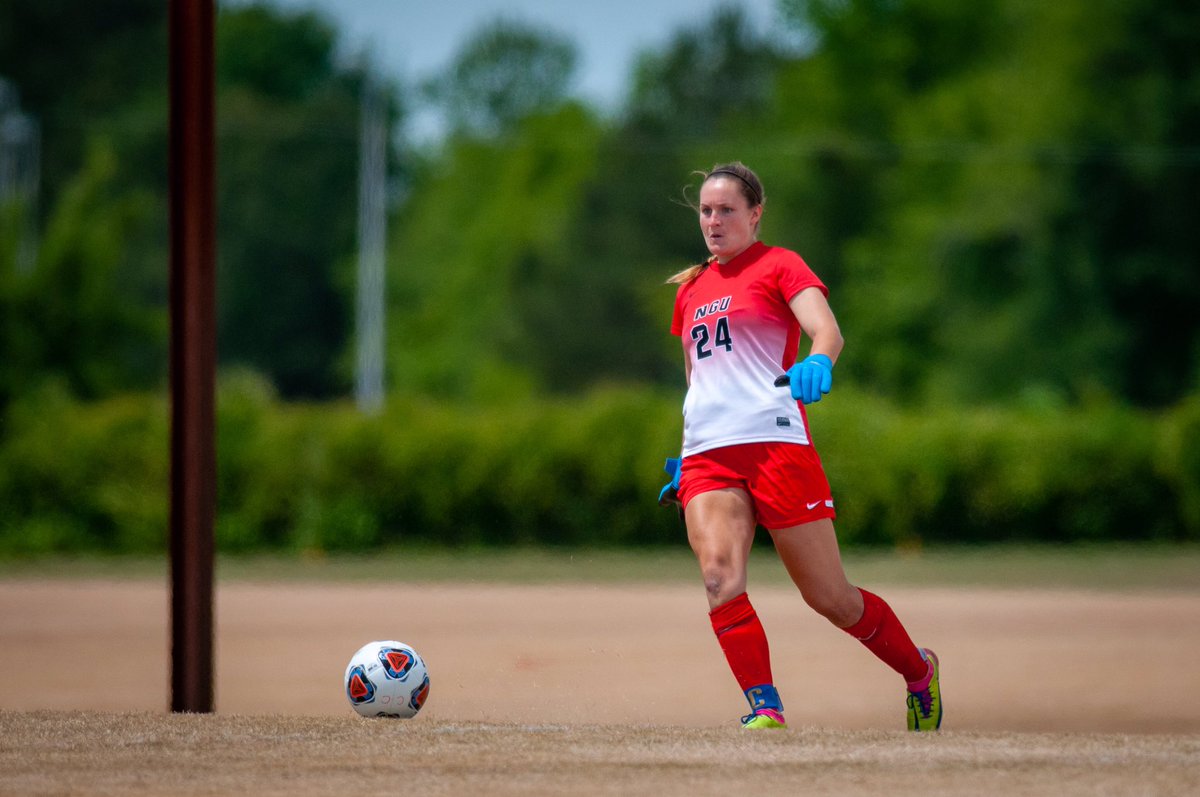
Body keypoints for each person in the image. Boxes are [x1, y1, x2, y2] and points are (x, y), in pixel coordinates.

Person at [658, 161, 941, 731]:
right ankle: (765, 707)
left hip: (775, 446)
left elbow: (827, 330)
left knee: (831, 598)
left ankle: (919, 672)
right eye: (706, 211)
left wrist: (819, 362)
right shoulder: (690, 290)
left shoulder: (780, 264)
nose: (713, 221)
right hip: (709, 456)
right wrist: (687, 451)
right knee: (718, 579)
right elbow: (698, 379)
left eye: (726, 210)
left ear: (755, 214)